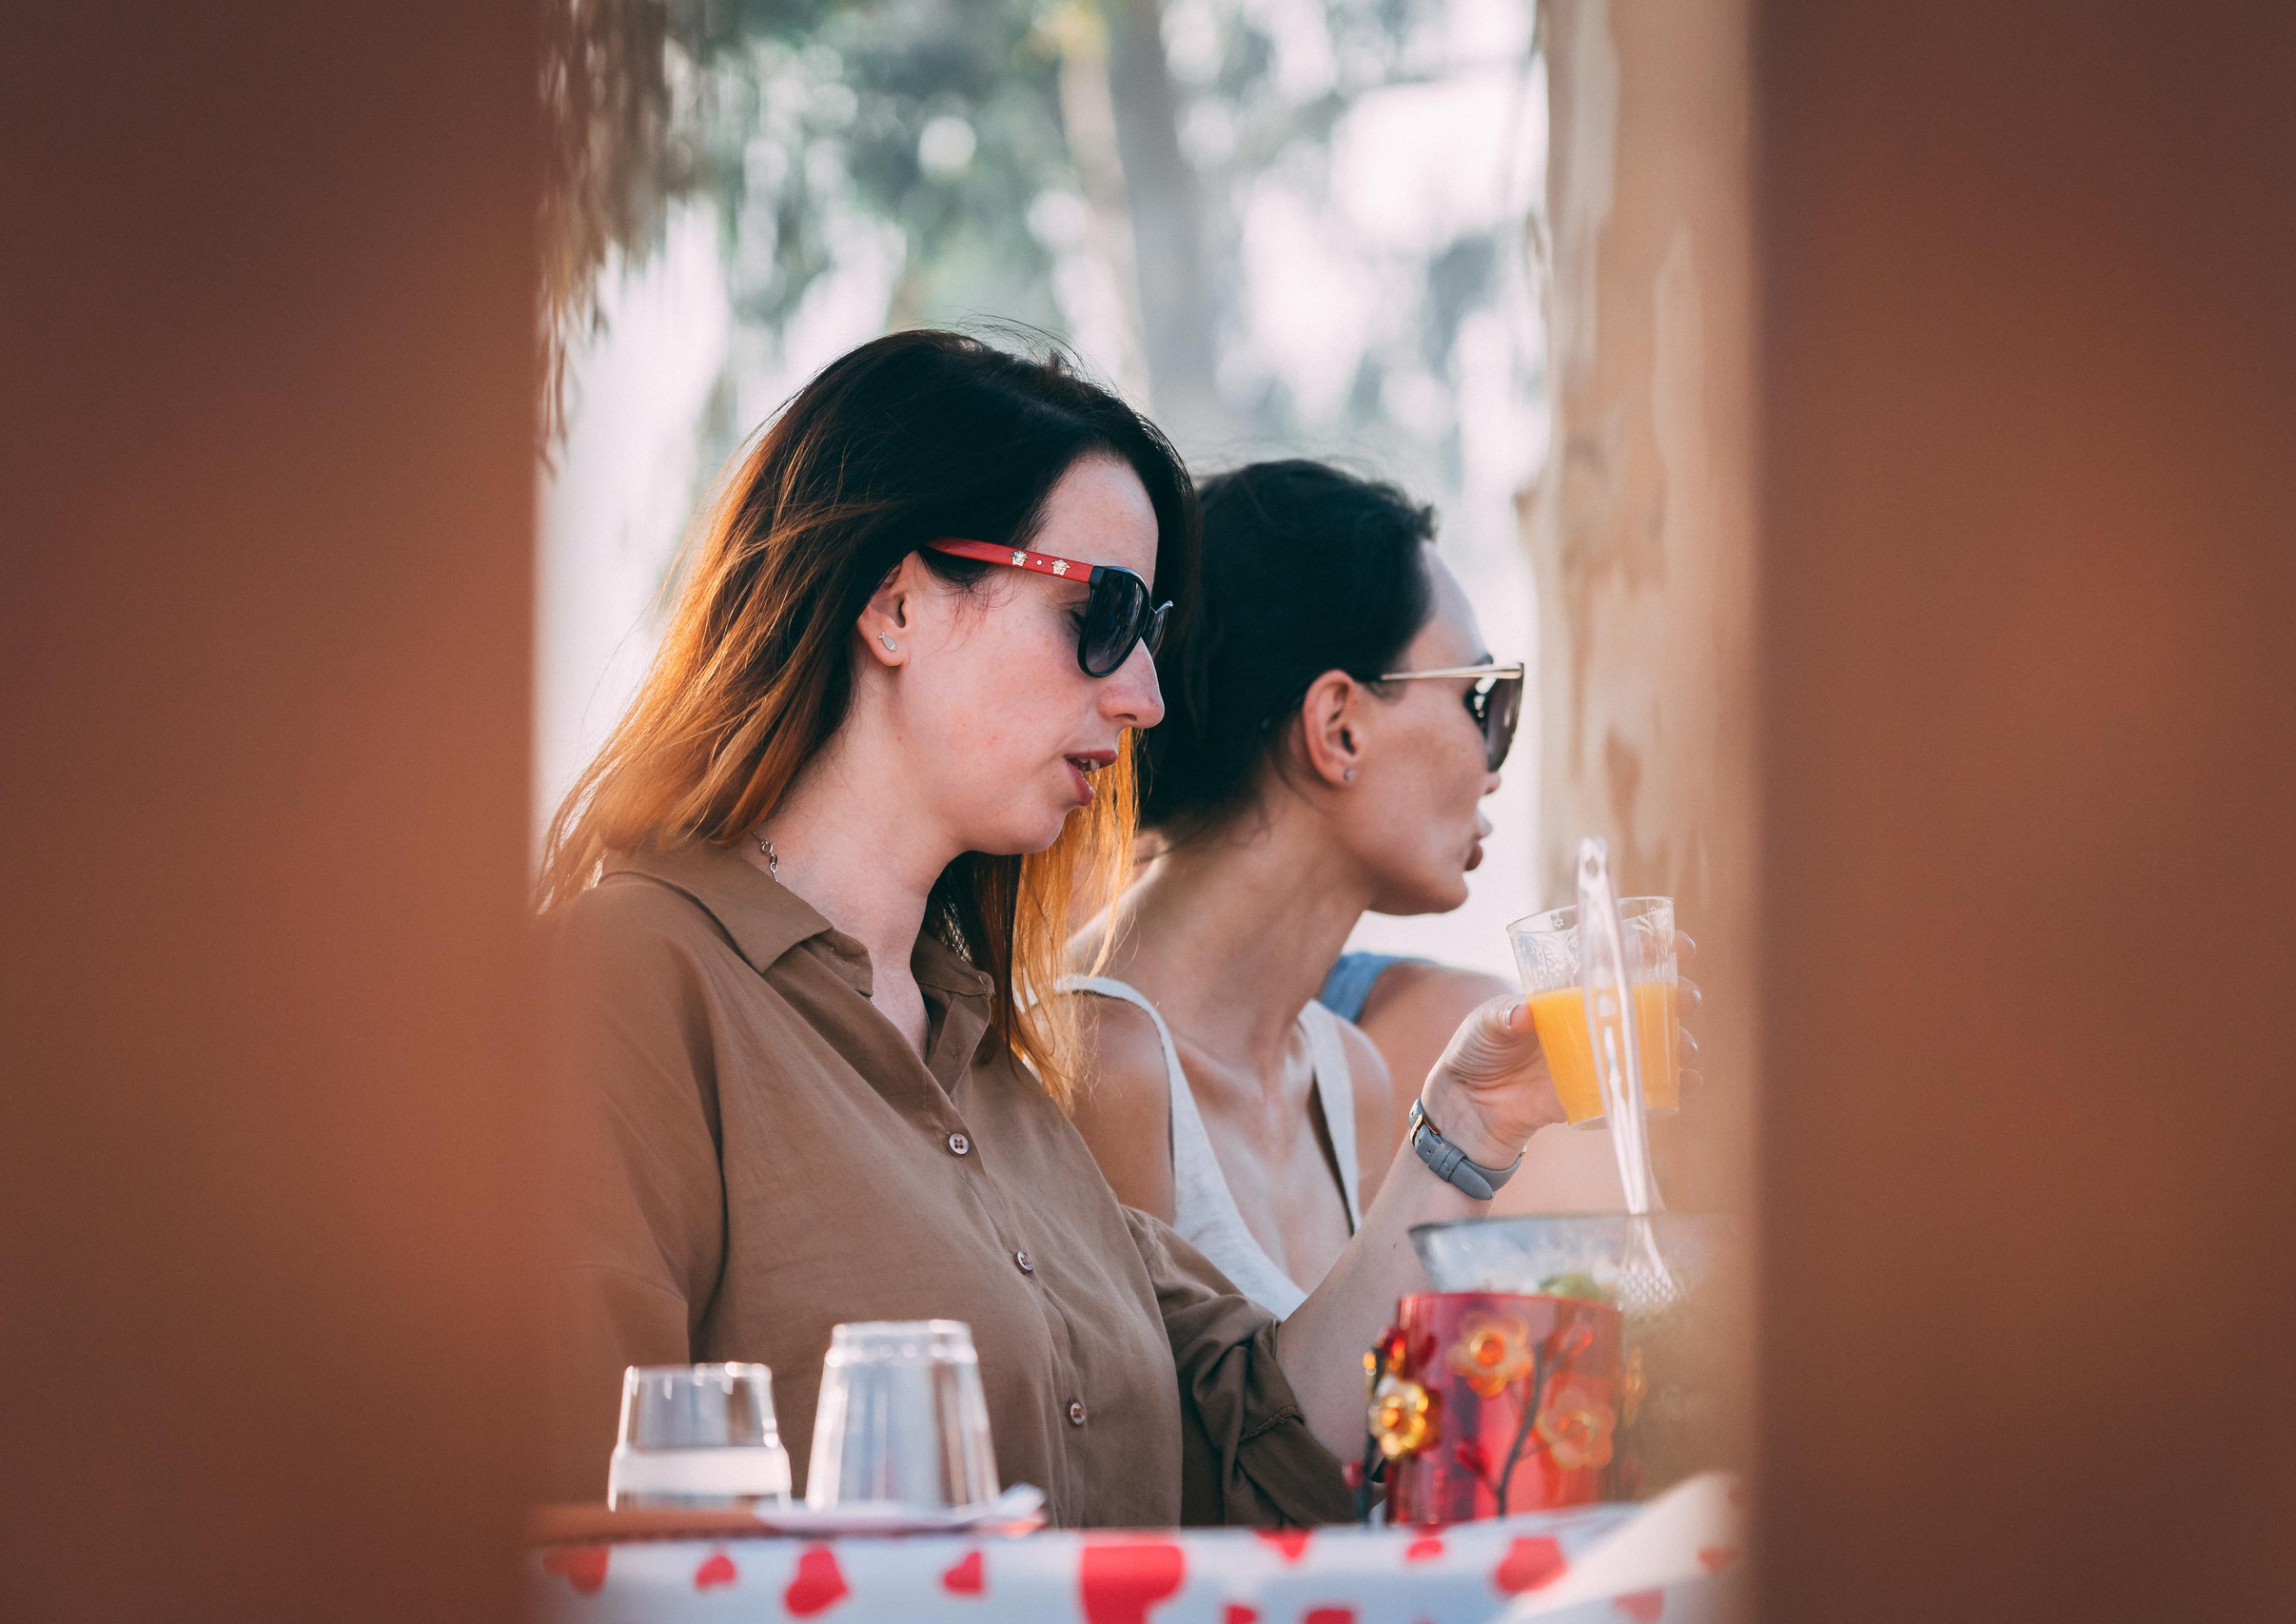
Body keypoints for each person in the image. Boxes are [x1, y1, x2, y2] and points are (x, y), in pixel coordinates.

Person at [536, 333, 1560, 1529]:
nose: (1145, 696)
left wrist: (1463, 1135)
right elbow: (562, 1529)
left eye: (1151, 632)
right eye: (1101, 611)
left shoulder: (997, 1068)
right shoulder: (628, 986)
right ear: (896, 601)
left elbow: (1269, 1445)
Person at [1066, 460, 1528, 1315]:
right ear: (1338, 726)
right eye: (1481, 701)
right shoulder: (1094, 1061)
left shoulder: (1347, 1075)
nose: (1494, 768)